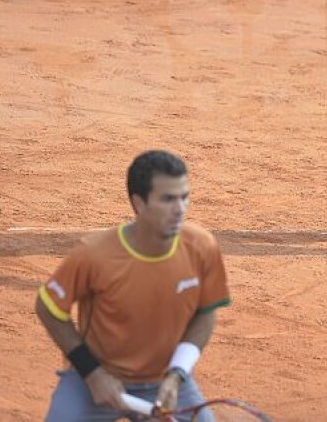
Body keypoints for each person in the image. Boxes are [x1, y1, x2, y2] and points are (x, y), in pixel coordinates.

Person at [36, 150, 231, 420]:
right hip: (94, 382)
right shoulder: (94, 255)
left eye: (184, 197)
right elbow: (48, 308)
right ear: (139, 203)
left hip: (165, 384)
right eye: (167, 199)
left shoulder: (201, 247)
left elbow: (206, 313)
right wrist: (92, 373)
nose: (180, 209)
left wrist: (176, 375)